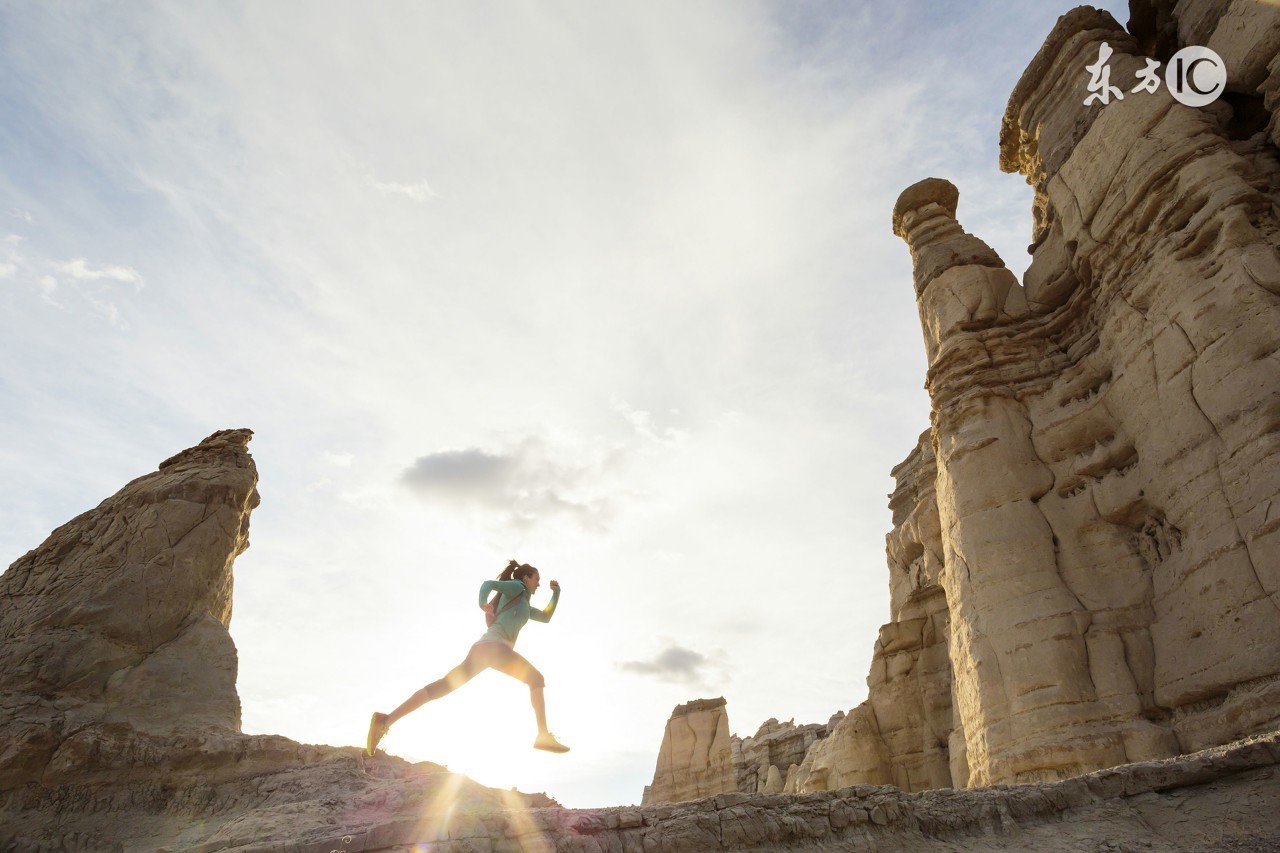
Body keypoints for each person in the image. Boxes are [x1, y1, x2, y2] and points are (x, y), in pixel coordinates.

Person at [366, 560, 569, 755]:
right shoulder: (517, 587)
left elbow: (545, 617)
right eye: (536, 579)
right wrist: (482, 603)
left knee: (443, 687)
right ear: (526, 578)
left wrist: (556, 593)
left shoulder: (524, 604)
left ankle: (385, 721)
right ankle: (542, 735)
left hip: (483, 651)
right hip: (495, 649)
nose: (539, 584)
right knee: (536, 679)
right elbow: (488, 584)